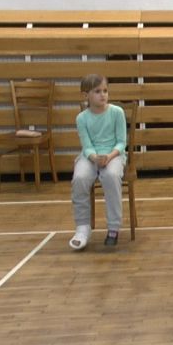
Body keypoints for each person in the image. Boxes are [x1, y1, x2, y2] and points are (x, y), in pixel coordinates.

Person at [70, 74, 127, 250]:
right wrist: (95, 158)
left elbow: (121, 142)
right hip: (90, 156)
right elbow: (87, 146)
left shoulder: (117, 112)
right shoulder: (82, 118)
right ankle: (82, 228)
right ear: (86, 95)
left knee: (111, 176)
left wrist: (109, 156)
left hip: (114, 155)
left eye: (105, 90)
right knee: (79, 178)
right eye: (97, 91)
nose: (103, 95)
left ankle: (113, 227)